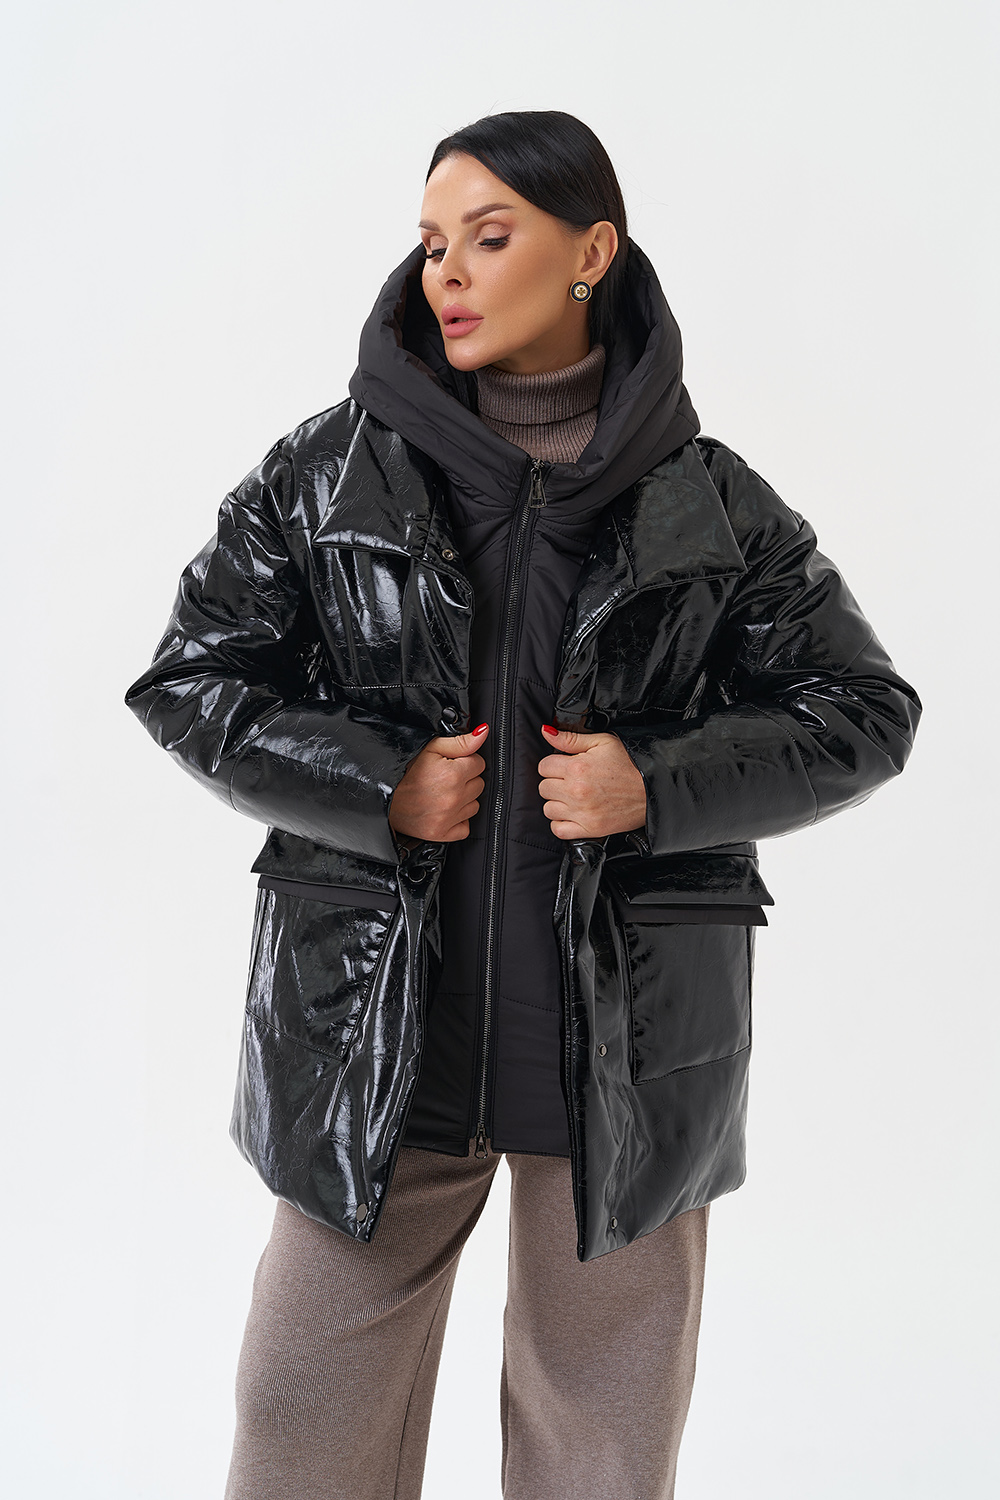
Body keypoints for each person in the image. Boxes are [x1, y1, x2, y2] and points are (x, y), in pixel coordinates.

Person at [124, 110, 921, 1499]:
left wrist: (654, 783)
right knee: (301, 1416)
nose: (448, 270)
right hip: (376, 1038)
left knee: (600, 1452)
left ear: (591, 253)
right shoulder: (326, 474)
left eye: (490, 238)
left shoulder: (710, 503)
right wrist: (377, 783)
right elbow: (191, 678)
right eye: (434, 241)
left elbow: (861, 710)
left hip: (625, 1057)